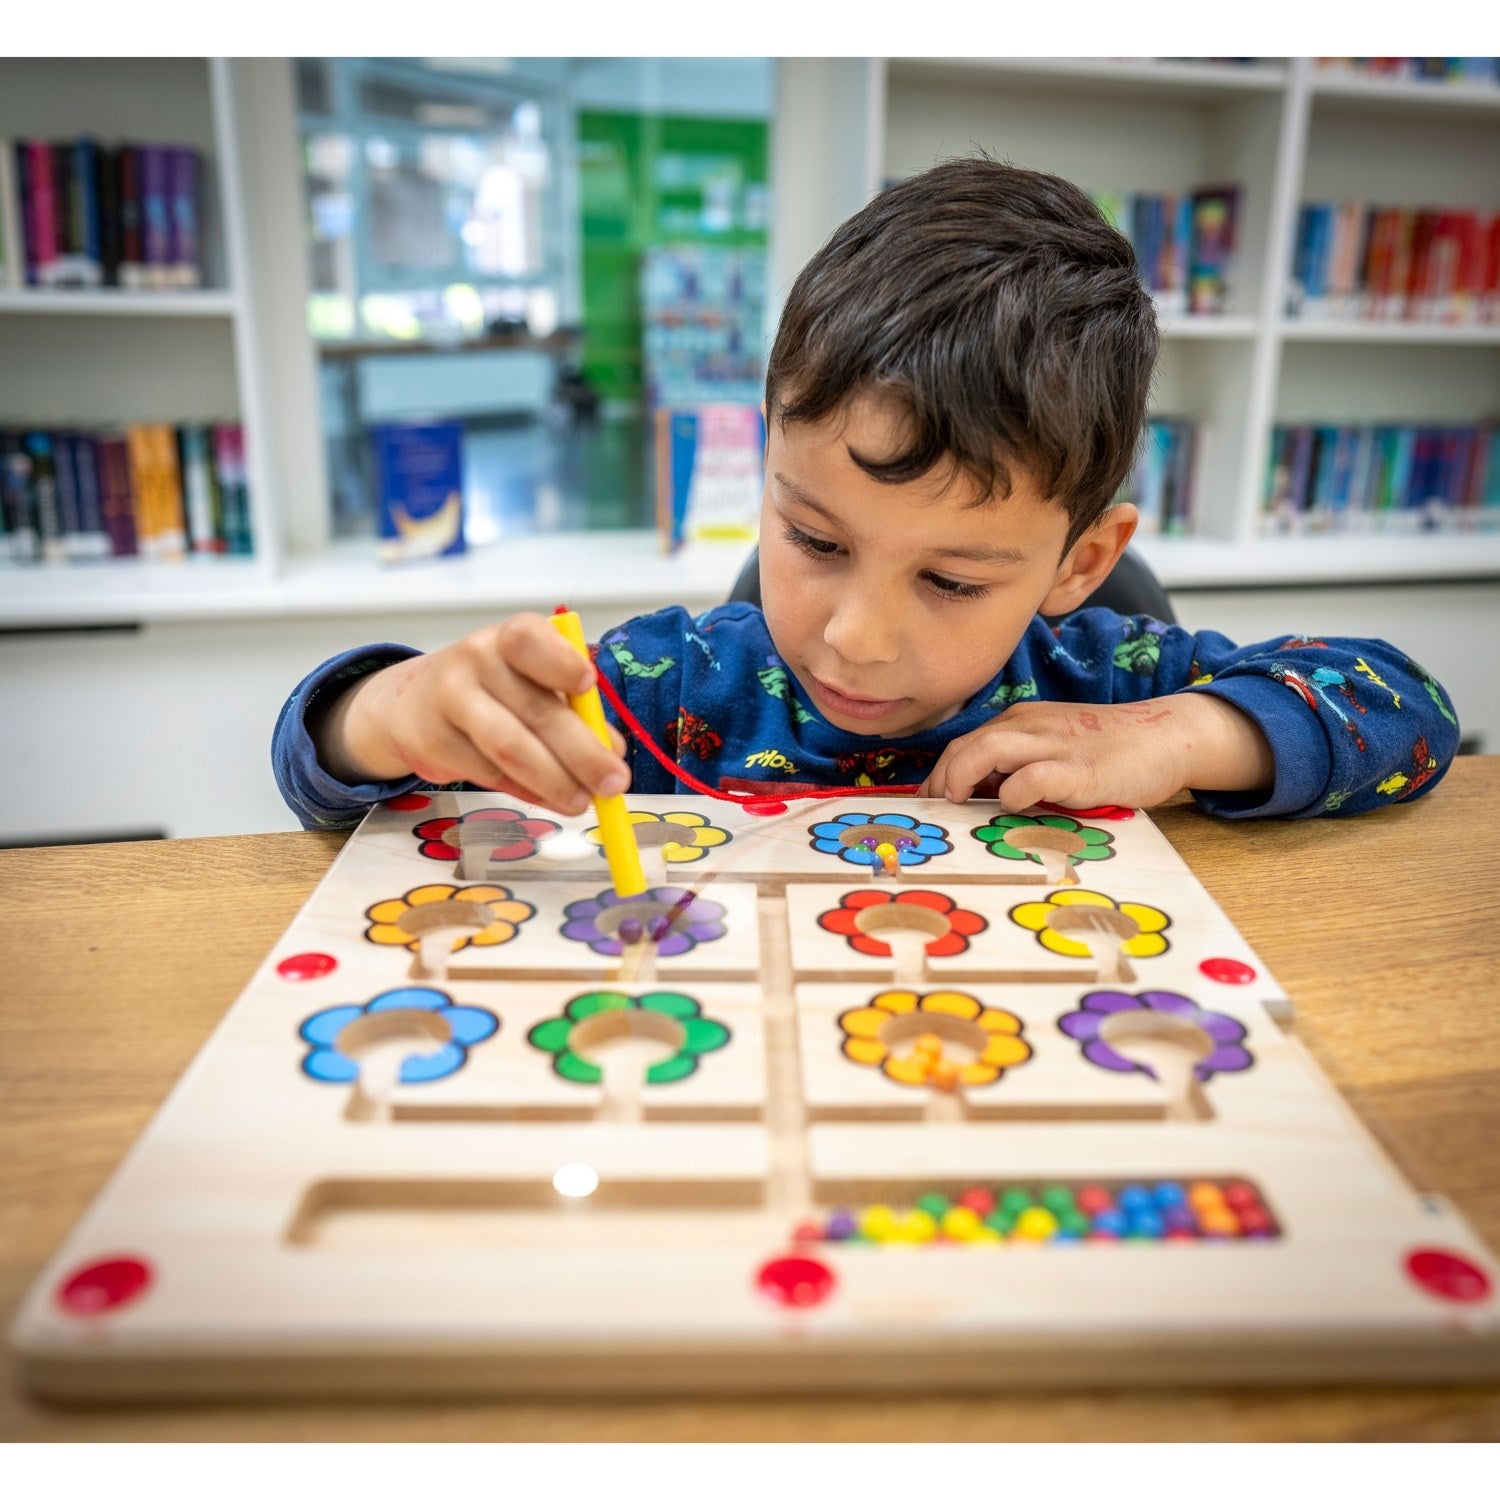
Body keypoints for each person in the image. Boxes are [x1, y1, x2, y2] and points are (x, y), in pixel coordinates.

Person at [273, 158, 1459, 832]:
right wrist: (383, 712)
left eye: (949, 578)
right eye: (812, 537)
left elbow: (1413, 712)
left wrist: (1191, 734)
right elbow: (320, 767)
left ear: (1080, 566)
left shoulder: (1104, 688)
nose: (853, 634)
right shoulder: (669, 691)